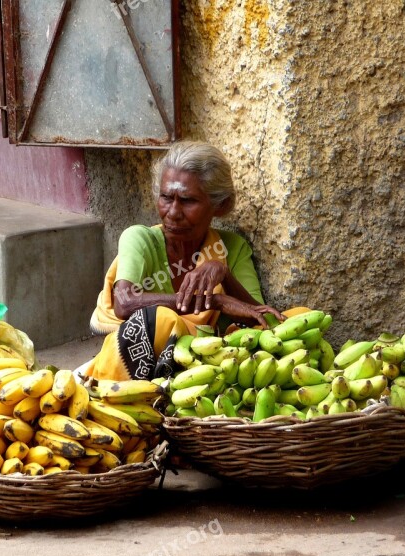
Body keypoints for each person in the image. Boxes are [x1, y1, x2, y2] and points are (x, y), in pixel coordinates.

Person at [86, 141, 296, 381]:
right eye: (166, 197)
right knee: (161, 320)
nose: (173, 212)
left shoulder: (231, 248)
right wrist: (214, 301)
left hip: (213, 366)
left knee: (299, 316)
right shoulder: (139, 238)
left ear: (220, 205)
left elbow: (261, 320)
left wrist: (223, 273)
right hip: (142, 367)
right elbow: (124, 303)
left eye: (187, 201)